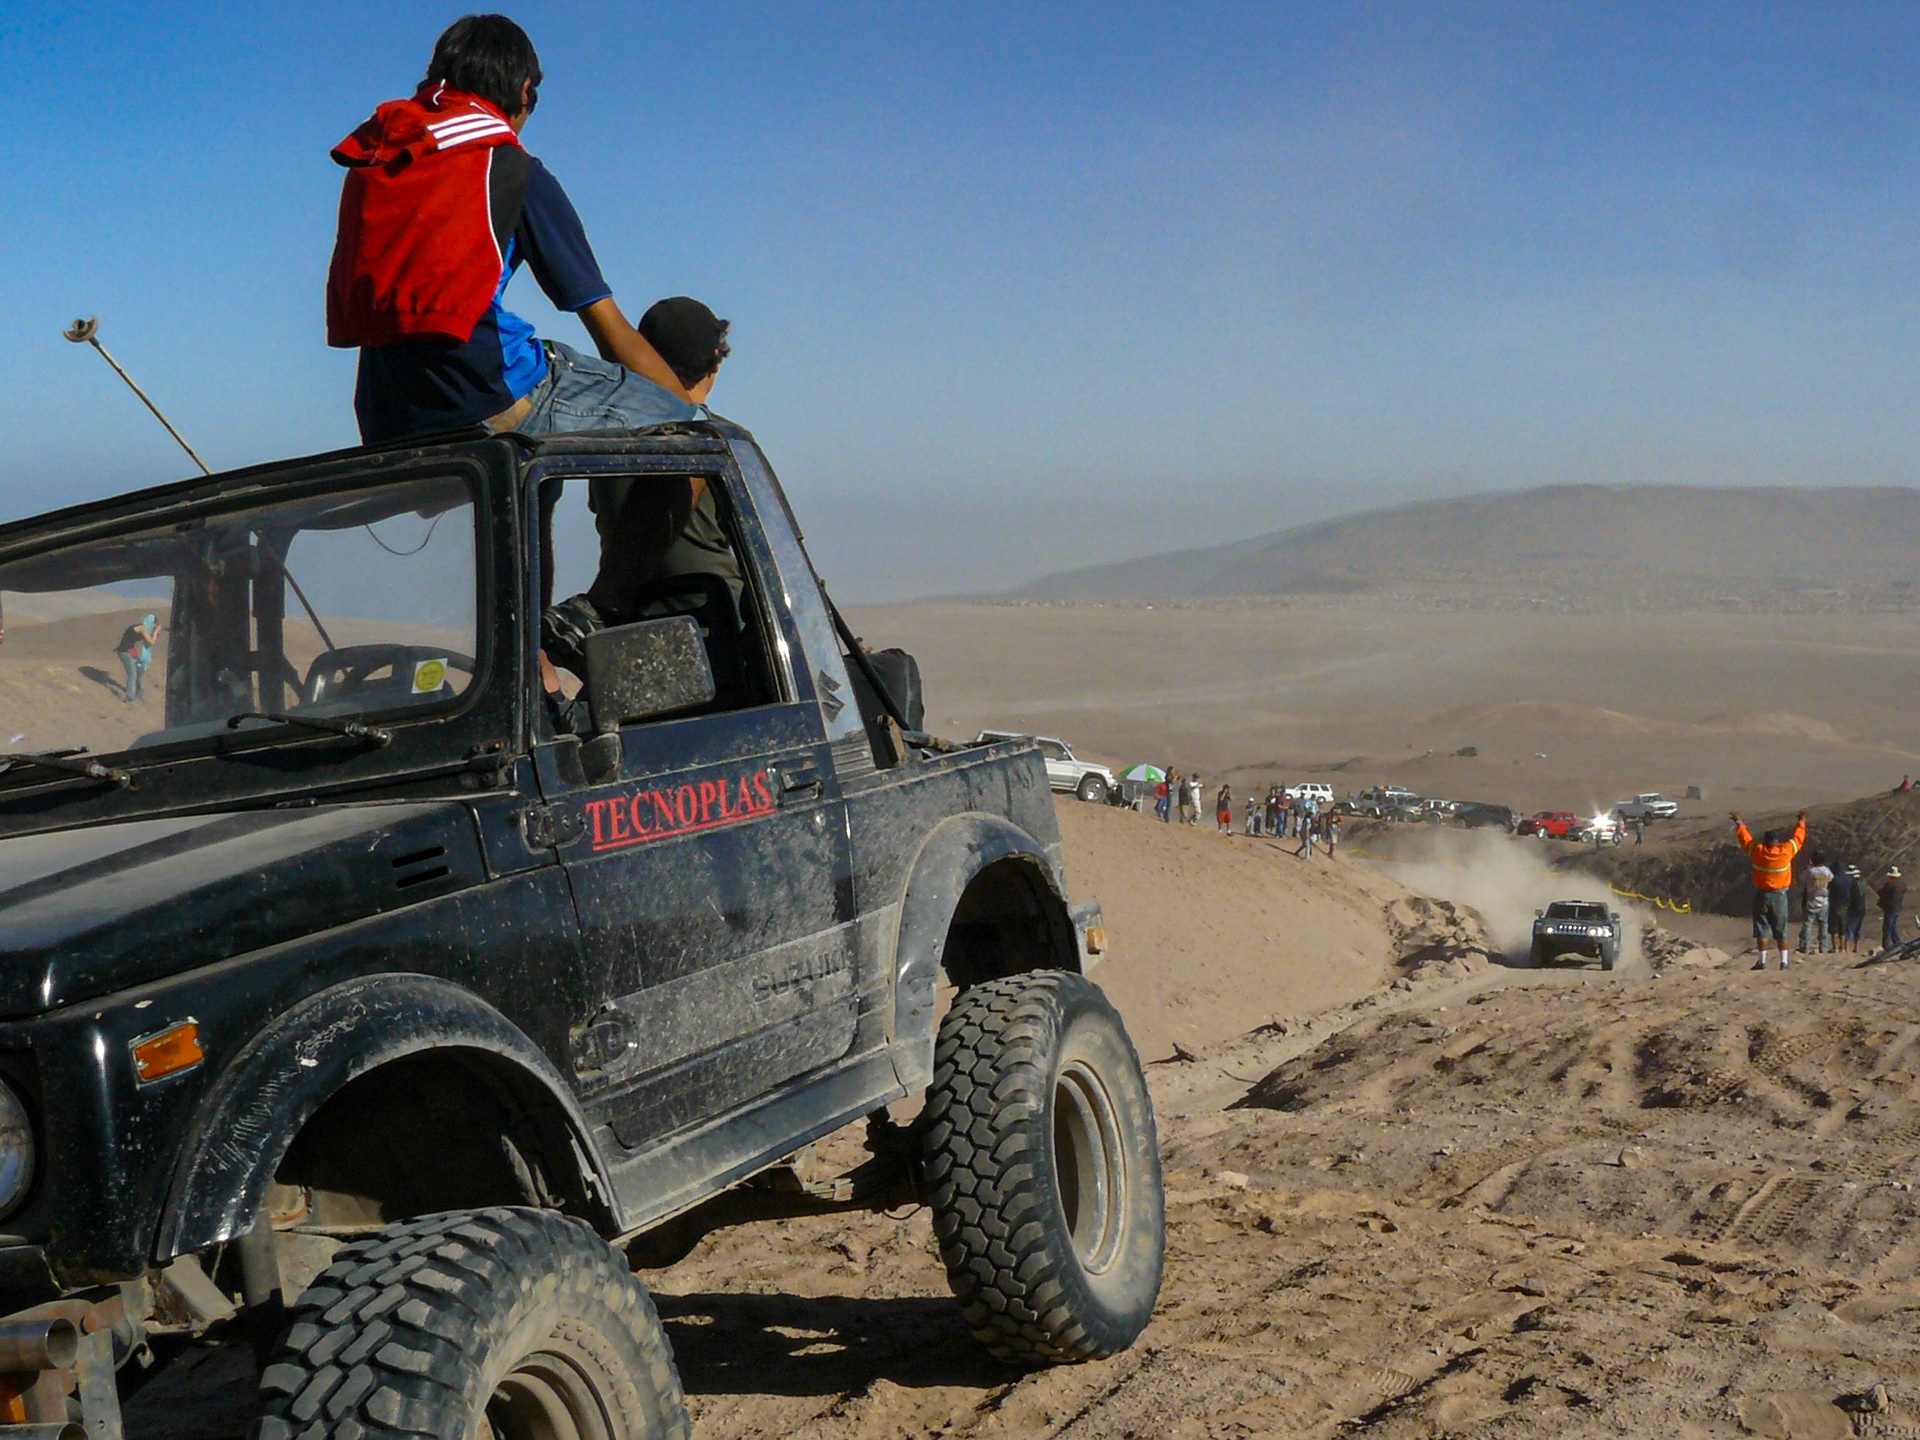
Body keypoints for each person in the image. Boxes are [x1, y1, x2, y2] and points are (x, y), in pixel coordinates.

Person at [327, 16, 699, 447]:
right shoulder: (513, 171)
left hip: (384, 415)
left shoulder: (384, 162)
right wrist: (691, 416)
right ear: (524, 92)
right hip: (486, 400)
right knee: (684, 428)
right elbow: (611, 332)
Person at [1733, 809, 1807, 971]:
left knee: (1761, 928)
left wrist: (1739, 823)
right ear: (1776, 841)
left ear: (1765, 842)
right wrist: (1801, 822)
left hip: (1762, 895)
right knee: (1781, 928)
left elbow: (1745, 840)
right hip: (1780, 896)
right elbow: (1798, 839)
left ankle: (1762, 962)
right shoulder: (1786, 851)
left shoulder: (1758, 851)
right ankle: (1784, 962)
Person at [115, 614, 161, 703]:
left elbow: (148, 640)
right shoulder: (142, 628)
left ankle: (140, 692)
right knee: (132, 673)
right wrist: (155, 632)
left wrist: (156, 632)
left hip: (131, 651)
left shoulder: (143, 629)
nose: (153, 627)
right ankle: (130, 697)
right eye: (154, 625)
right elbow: (151, 642)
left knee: (140, 669)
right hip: (124, 651)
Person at [1798, 852, 1833, 956]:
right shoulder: (1827, 871)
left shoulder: (1809, 872)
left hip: (1811, 899)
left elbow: (1801, 879)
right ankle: (1824, 947)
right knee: (1823, 925)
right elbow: (1831, 880)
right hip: (1824, 900)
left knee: (1807, 924)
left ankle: (1805, 946)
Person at [1878, 867, 1907, 952]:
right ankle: (1897, 942)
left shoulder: (1890, 884)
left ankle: (1886, 946)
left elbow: (1882, 892)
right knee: (1893, 925)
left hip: (1889, 908)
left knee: (1887, 928)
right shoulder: (1902, 884)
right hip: (1898, 907)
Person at [1828, 863, 1855, 955]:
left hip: (1835, 905)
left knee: (1834, 927)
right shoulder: (1849, 879)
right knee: (1843, 927)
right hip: (1845, 905)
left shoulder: (1834, 880)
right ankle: (1842, 947)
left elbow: (1830, 892)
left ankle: (1834, 947)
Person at [1845, 864, 1869, 953]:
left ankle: (1847, 948)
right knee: (1859, 929)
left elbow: (1849, 896)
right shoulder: (1863, 882)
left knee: (1849, 928)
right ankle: (1856, 948)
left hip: (1853, 908)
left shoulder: (1851, 884)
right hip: (1862, 908)